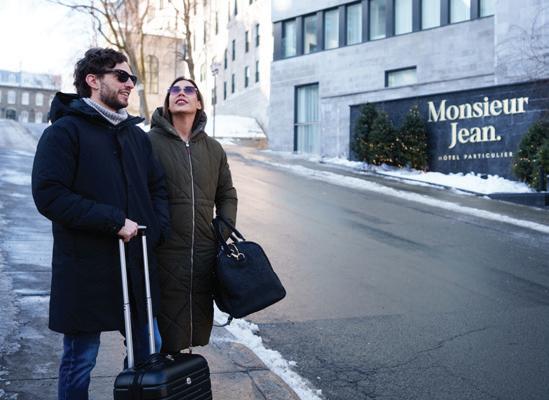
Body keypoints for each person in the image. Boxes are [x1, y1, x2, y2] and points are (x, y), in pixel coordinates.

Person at [31, 48, 170, 400]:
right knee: (81, 359)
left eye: (131, 78)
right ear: (93, 80)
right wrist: (113, 221)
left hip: (135, 264)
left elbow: (158, 188)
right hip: (85, 267)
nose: (129, 84)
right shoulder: (65, 132)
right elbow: (50, 195)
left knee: (148, 349)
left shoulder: (136, 136)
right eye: (121, 76)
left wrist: (155, 230)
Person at [148, 77, 237, 353]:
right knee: (153, 341)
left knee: (189, 334)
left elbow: (227, 194)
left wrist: (220, 232)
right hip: (162, 253)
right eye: (175, 90)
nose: (181, 93)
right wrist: (154, 235)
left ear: (198, 102)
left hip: (202, 255)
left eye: (189, 90)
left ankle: (180, 376)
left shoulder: (214, 149)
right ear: (168, 101)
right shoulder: (147, 143)